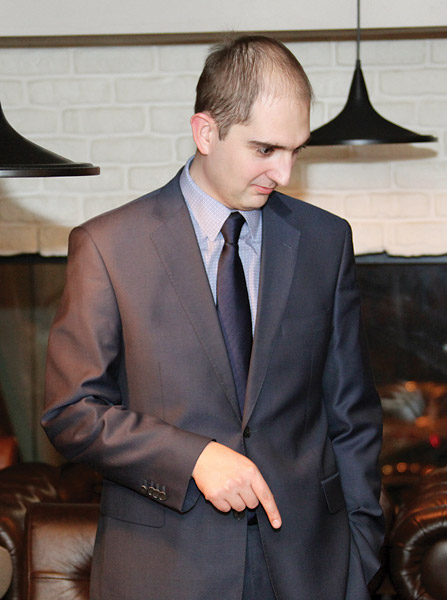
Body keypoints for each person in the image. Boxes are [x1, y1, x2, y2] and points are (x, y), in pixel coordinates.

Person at [42, 35, 384, 600]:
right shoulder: (108, 246)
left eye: (296, 150)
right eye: (265, 149)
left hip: (310, 568)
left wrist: (361, 553)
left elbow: (352, 414)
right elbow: (71, 412)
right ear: (206, 132)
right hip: (164, 570)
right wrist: (193, 457)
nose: (283, 172)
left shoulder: (326, 240)